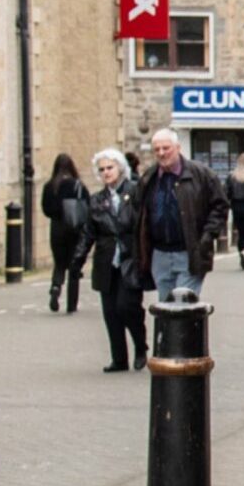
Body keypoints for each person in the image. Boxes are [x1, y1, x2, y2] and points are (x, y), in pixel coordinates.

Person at [134, 128, 229, 303]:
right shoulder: (150, 178)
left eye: (166, 148)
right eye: (157, 149)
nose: (161, 153)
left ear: (178, 148)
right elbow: (139, 211)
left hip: (190, 252)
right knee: (165, 306)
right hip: (160, 255)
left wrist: (207, 237)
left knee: (182, 306)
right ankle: (166, 332)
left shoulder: (201, 174)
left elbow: (220, 206)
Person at [85, 149, 147, 371]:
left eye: (109, 168)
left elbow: (143, 225)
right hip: (106, 262)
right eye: (101, 169)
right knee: (110, 312)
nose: (106, 173)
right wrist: (77, 260)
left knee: (127, 307)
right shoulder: (96, 200)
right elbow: (88, 233)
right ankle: (119, 358)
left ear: (120, 168)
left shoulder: (135, 192)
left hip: (130, 260)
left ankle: (141, 346)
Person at [38, 152, 90, 314]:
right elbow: (87, 205)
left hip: (57, 227)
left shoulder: (49, 186)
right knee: (74, 265)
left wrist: (57, 214)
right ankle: (71, 305)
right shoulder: (78, 185)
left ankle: (55, 286)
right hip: (75, 228)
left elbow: (45, 209)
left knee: (59, 262)